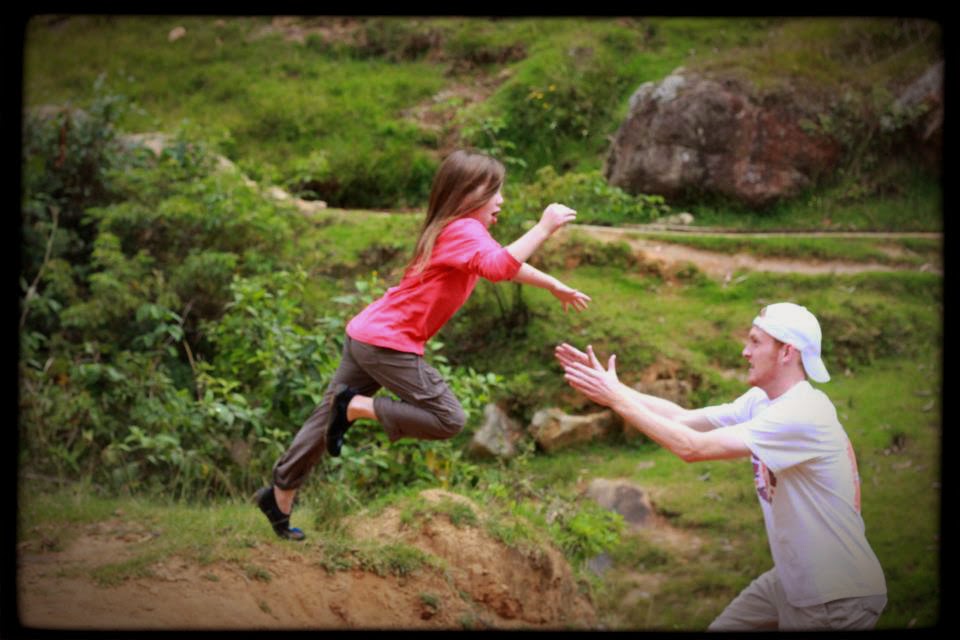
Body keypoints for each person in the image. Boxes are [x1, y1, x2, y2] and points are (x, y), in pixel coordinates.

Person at [255, 149, 591, 540]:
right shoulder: (463, 230)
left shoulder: (457, 229)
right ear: (468, 193)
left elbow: (503, 261)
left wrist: (552, 284)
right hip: (388, 343)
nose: (501, 200)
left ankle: (279, 496)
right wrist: (544, 227)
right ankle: (355, 407)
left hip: (367, 333)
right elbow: (500, 267)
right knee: (449, 419)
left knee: (323, 419)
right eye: (494, 191)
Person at [556, 302, 887, 631]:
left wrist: (616, 399)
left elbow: (692, 448)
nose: (745, 351)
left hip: (835, 595)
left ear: (787, 352)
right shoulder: (763, 401)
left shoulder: (802, 413)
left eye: (755, 342)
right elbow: (683, 419)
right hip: (792, 580)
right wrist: (615, 388)